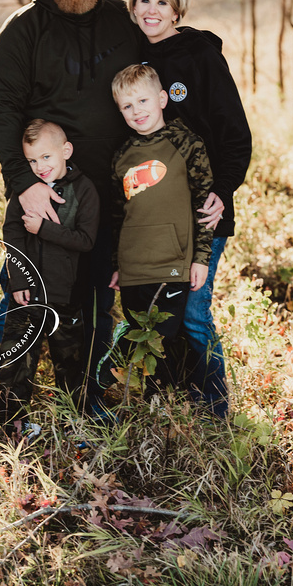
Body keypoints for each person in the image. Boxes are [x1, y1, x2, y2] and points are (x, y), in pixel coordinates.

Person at [0, 0, 140, 428]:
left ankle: (86, 401)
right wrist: (25, 182)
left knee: (95, 301)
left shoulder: (121, 24)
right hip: (45, 187)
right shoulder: (24, 29)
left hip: (105, 192)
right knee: (24, 296)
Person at [124, 0, 252, 417]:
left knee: (194, 313)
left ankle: (215, 411)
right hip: (151, 212)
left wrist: (223, 189)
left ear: (177, 7)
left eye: (162, 1)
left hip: (201, 209)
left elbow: (235, 134)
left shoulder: (200, 57)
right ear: (132, 6)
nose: (152, 10)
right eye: (143, 0)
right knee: (158, 311)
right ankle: (169, 402)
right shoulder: (129, 55)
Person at [0, 119, 100, 436]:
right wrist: (19, 281)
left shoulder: (84, 190)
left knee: (70, 364)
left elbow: (85, 240)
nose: (40, 166)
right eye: (31, 160)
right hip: (26, 296)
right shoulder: (25, 192)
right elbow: (11, 232)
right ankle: (10, 424)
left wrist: (45, 229)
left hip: (64, 298)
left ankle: (74, 426)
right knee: (16, 362)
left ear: (65, 151)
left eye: (46, 157)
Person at [108, 64, 213, 395]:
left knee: (167, 339)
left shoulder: (187, 144)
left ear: (162, 99)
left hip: (172, 263)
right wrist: (115, 263)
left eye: (142, 101)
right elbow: (116, 216)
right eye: (127, 106)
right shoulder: (122, 156)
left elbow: (204, 206)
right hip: (133, 267)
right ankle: (150, 406)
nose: (136, 111)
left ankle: (180, 405)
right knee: (140, 338)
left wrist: (201, 257)